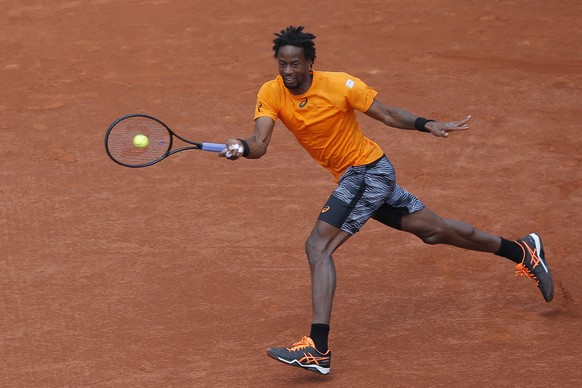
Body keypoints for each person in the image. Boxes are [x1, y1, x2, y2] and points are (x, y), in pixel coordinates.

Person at [219, 26, 554, 375]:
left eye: (295, 64)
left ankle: (317, 349)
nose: (288, 72)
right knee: (434, 231)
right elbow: (259, 142)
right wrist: (241, 147)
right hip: (360, 176)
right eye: (282, 65)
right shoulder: (271, 92)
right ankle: (521, 250)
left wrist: (426, 124)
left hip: (366, 171)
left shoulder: (342, 85)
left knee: (318, 247)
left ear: (310, 63)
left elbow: (388, 114)